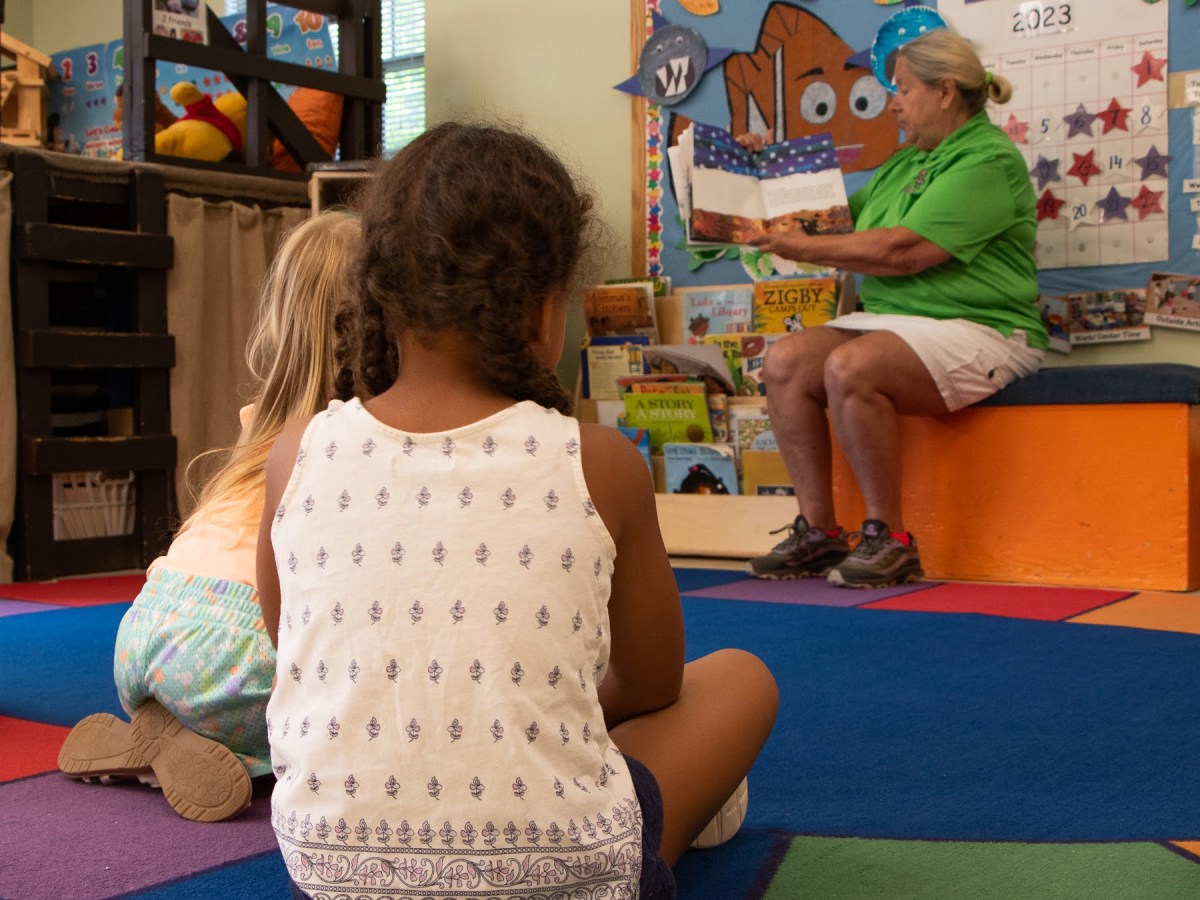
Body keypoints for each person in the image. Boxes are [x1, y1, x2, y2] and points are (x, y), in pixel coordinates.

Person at [256, 122, 779, 900]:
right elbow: (652, 684)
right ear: (544, 309)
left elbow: (290, 646)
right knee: (741, 679)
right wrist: (525, 702)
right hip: (562, 873)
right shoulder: (599, 461)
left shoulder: (296, 451)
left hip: (330, 868)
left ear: (379, 297)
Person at [57, 211, 366, 822]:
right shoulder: (356, 433)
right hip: (239, 652)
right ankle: (227, 733)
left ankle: (165, 723)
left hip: (147, 626)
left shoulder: (258, 422)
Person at [741, 28, 1047, 588]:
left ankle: (890, 538)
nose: (894, 102)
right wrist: (760, 171)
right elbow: (828, 219)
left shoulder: (988, 160)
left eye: (903, 88)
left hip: (981, 328)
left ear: (945, 91)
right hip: (892, 324)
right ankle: (819, 531)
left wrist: (800, 247)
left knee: (850, 367)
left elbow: (901, 252)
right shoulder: (903, 165)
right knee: (784, 361)